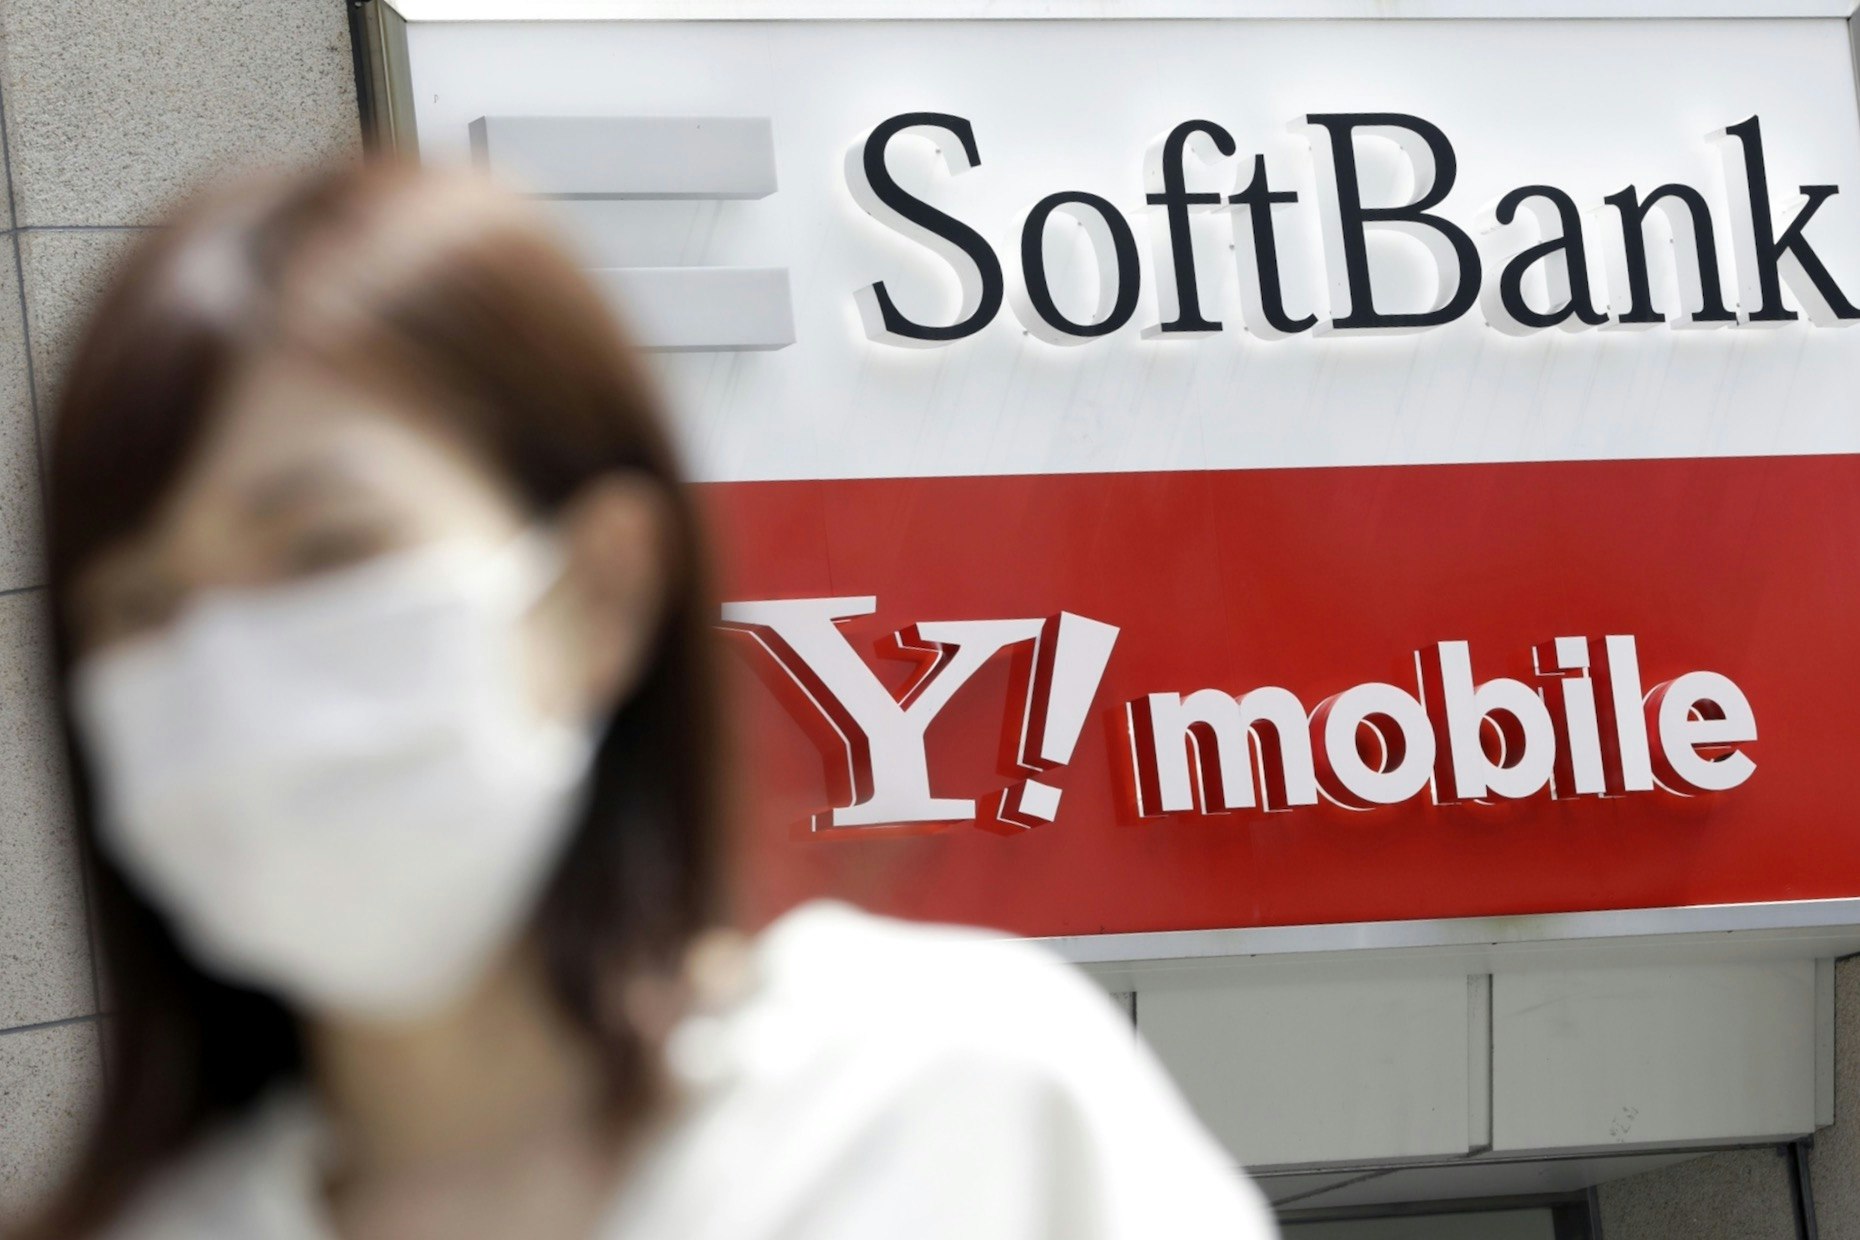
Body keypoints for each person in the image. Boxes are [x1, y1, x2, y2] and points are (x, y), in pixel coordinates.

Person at [15, 161, 1277, 1240]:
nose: (233, 673)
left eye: (324, 551)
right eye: (141, 606)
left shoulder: (958, 1108)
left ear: (601, 592)